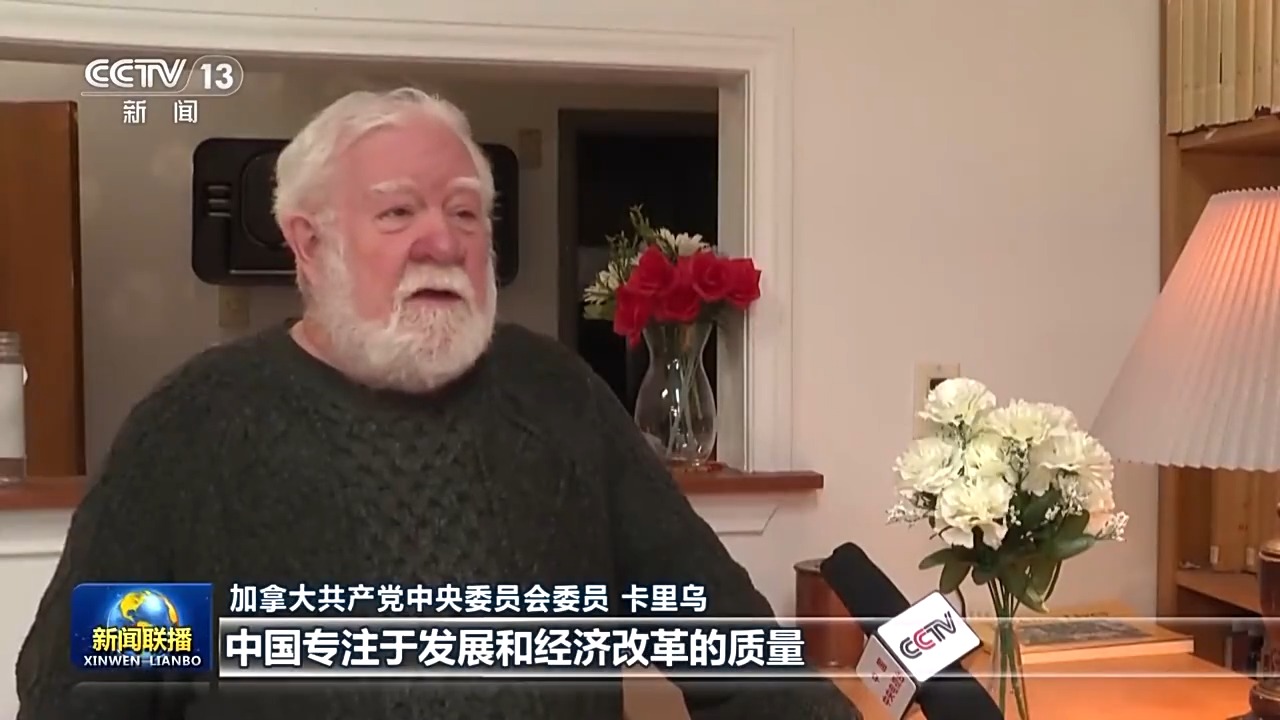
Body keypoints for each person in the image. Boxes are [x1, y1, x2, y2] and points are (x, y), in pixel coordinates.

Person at [15, 87, 859, 720]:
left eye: (466, 212)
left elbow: (732, 649)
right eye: (398, 212)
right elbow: (82, 689)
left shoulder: (558, 398)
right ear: (308, 243)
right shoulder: (194, 430)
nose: (443, 241)